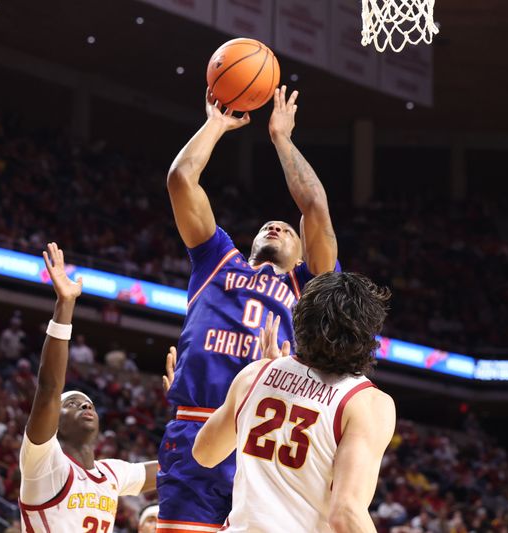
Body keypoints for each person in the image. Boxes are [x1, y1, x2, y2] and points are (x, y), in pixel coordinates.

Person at [157, 85, 339, 530]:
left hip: (267, 441)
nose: (277, 224)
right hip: (197, 427)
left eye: (287, 229)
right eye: (267, 225)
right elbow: (181, 180)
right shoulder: (215, 260)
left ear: (302, 255)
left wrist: (282, 138)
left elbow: (313, 205)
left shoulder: (308, 285)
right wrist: (216, 123)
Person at [192, 272, 396, 533]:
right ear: (367, 335)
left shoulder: (255, 374)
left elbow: (205, 453)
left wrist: (266, 379)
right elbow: (345, 513)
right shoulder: (368, 403)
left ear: (299, 321)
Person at [19, 243, 158, 532]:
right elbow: (48, 389)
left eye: (89, 404)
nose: (85, 405)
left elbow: (175, 468)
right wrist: (65, 305)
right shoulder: (44, 462)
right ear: (54, 422)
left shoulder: (111, 472)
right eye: (72, 404)